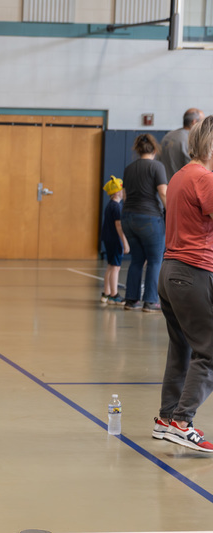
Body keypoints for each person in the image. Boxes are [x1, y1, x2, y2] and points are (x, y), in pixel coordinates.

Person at [152, 115, 213, 453]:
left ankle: (166, 419)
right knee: (210, 351)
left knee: (182, 349)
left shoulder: (180, 175)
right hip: (193, 273)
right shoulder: (204, 178)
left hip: (171, 271)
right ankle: (182, 422)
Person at [121, 133, 168, 313]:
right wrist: (171, 212)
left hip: (128, 217)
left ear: (138, 150)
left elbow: (125, 196)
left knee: (136, 261)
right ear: (155, 150)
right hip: (149, 218)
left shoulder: (129, 168)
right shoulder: (157, 166)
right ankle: (150, 301)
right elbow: (163, 193)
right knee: (155, 260)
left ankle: (131, 300)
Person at [100, 176, 129, 305]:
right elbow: (119, 226)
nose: (124, 193)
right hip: (115, 240)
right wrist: (125, 242)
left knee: (111, 266)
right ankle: (114, 294)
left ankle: (106, 292)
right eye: (122, 190)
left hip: (108, 239)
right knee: (116, 268)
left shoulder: (109, 206)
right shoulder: (117, 207)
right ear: (118, 192)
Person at [157, 108, 205, 181]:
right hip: (182, 185)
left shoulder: (167, 136)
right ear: (194, 122)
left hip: (166, 185)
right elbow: (193, 168)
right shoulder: (190, 140)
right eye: (202, 121)